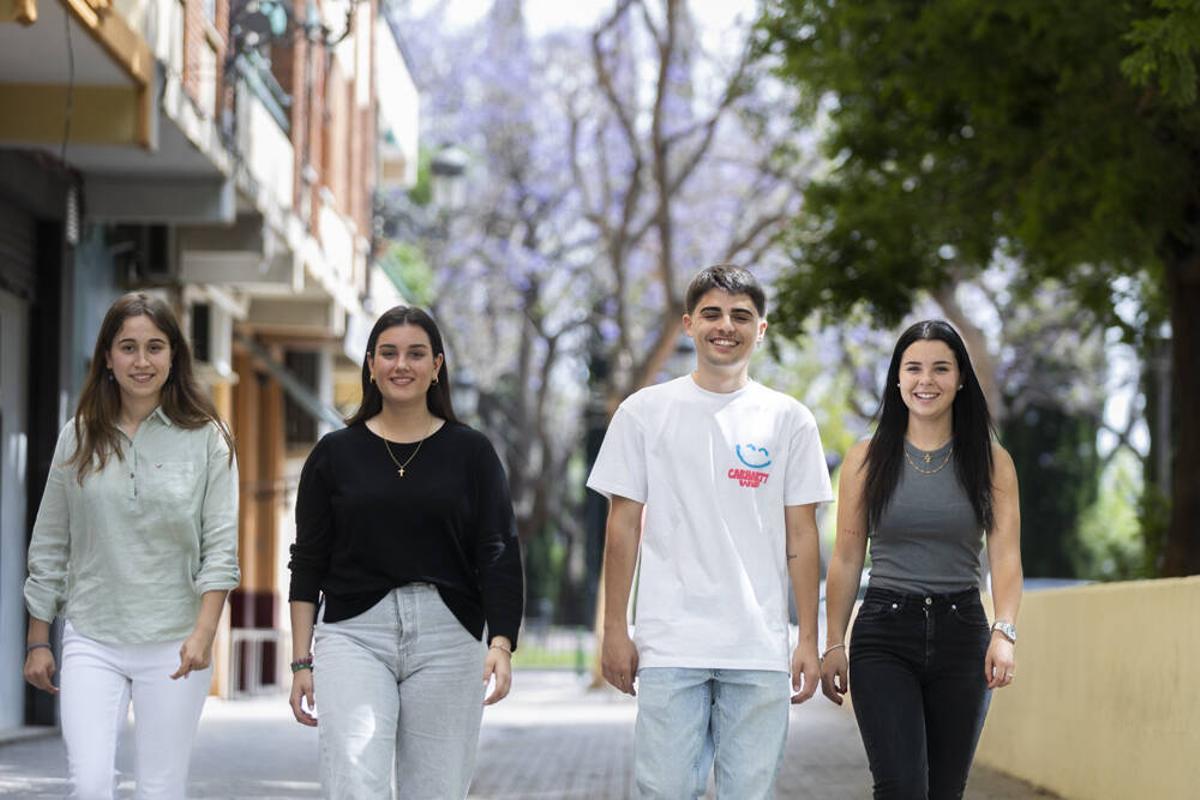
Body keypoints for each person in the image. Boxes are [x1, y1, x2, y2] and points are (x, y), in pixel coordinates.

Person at [587, 265, 833, 799]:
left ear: (761, 329)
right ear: (688, 325)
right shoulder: (643, 412)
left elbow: (802, 537)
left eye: (741, 316)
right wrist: (614, 630)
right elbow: (622, 526)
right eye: (713, 314)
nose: (727, 326)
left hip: (757, 649)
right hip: (670, 646)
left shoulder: (789, 419)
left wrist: (807, 639)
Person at [287, 304, 524, 799]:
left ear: (436, 365)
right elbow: (308, 561)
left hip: (449, 636)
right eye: (389, 353)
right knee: (354, 779)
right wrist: (300, 662)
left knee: (436, 790)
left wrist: (501, 643)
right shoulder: (334, 453)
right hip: (354, 633)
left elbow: (498, 550)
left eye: (416, 354)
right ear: (370, 363)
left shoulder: (472, 452)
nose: (402, 365)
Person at [23, 292, 240, 800]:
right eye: (128, 347)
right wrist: (38, 638)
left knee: (161, 790)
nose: (142, 361)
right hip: (92, 634)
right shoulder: (77, 437)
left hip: (175, 640)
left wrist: (204, 633)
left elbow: (221, 546)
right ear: (107, 357)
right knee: (90, 784)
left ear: (173, 356)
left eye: (155, 347)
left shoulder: (208, 438)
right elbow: (51, 542)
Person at [820, 319, 1023, 800]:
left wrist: (1005, 631)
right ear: (897, 378)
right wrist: (833, 642)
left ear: (959, 380)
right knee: (902, 788)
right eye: (913, 368)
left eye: (939, 368)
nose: (925, 380)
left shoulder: (992, 462)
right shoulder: (866, 458)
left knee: (945, 791)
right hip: (884, 635)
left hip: (962, 634)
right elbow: (848, 558)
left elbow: (1006, 558)